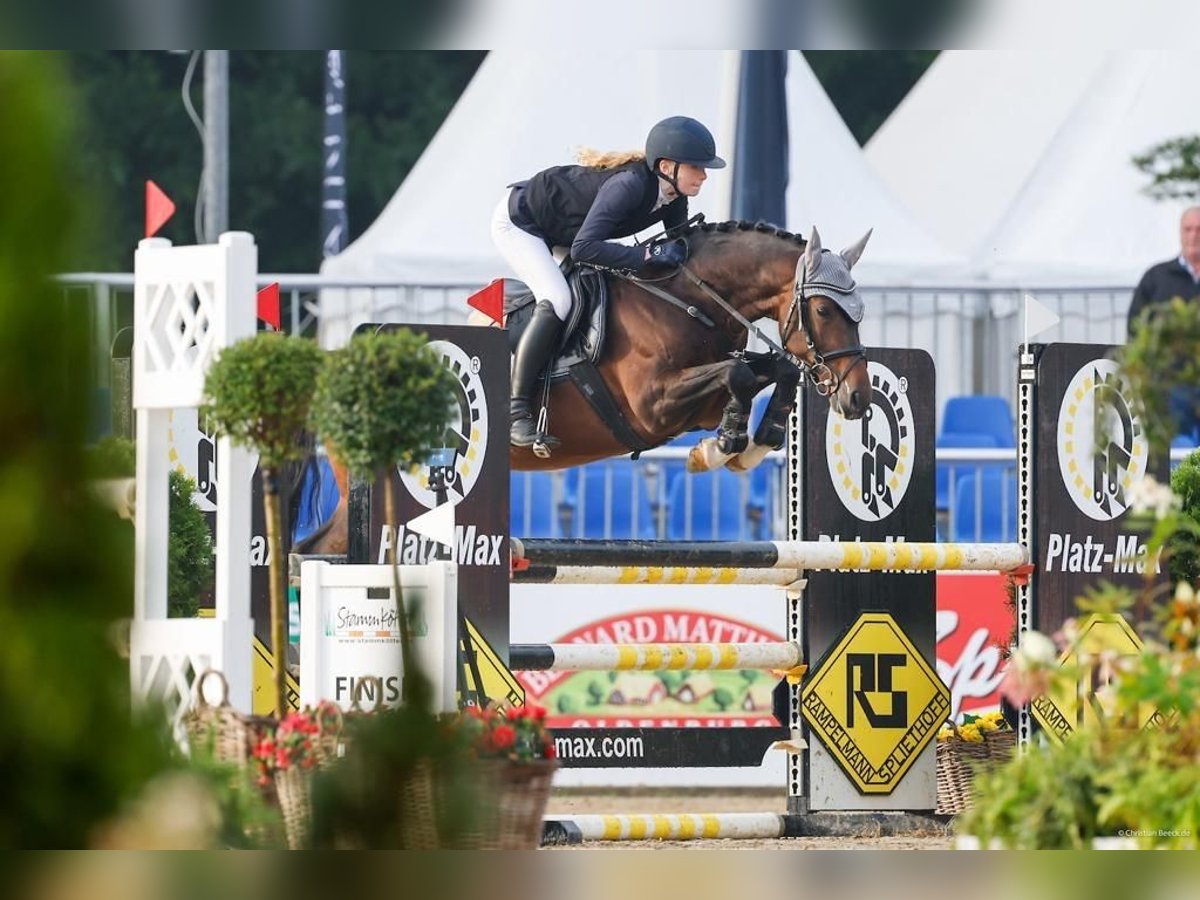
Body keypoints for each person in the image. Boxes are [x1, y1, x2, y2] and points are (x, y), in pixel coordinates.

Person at [491, 115, 725, 448]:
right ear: (667, 166)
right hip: (522, 223)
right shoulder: (629, 186)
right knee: (558, 299)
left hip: (566, 229)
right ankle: (515, 413)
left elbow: (680, 253)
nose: (703, 175)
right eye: (697, 168)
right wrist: (644, 258)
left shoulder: (674, 196)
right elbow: (585, 248)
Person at [1127, 206, 1200, 442]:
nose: (1194, 235)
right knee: (1177, 456)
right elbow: (1135, 330)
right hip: (1171, 389)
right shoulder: (1157, 278)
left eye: (1199, 229)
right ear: (1180, 233)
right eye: (1188, 229)